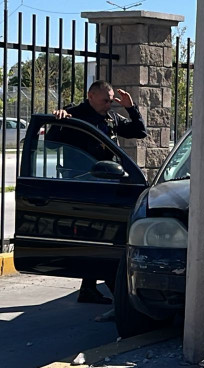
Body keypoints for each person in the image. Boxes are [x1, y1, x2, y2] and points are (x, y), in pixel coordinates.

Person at [51, 80, 148, 304]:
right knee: (97, 236)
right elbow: (52, 143)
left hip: (106, 184)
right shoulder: (73, 115)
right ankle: (117, 296)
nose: (109, 104)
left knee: (100, 236)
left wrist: (130, 108)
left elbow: (139, 132)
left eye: (112, 100)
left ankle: (89, 289)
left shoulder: (111, 117)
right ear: (91, 95)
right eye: (106, 100)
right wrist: (59, 121)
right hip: (83, 185)